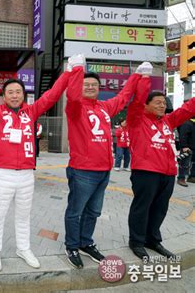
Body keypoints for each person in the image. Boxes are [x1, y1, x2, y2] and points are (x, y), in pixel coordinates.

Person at [0, 54, 85, 272]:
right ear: (3, 96)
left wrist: (70, 73)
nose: (14, 95)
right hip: (3, 174)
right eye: (10, 92)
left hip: (26, 175)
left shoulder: (31, 112)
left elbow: (52, 95)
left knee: (23, 216)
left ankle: (23, 248)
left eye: (18, 92)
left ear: (24, 94)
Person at [63, 58, 150, 270]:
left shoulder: (104, 107)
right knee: (76, 211)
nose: (91, 87)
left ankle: (85, 242)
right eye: (86, 84)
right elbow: (72, 95)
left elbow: (123, 97)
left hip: (103, 171)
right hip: (83, 171)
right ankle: (72, 246)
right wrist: (76, 72)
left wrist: (138, 76)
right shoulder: (75, 108)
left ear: (99, 88)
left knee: (93, 211)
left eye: (94, 84)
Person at [127, 80, 195, 260]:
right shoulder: (137, 119)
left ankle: (152, 240)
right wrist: (143, 79)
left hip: (168, 173)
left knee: (159, 209)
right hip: (146, 172)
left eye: (164, 103)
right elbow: (135, 103)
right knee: (142, 208)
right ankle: (136, 241)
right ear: (146, 105)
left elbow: (188, 109)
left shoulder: (168, 121)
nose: (162, 105)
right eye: (157, 102)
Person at [176, 117, 195, 186]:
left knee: (194, 164)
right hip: (187, 148)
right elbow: (183, 135)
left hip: (193, 146)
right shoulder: (186, 123)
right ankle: (181, 178)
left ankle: (192, 177)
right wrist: (184, 146)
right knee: (184, 164)